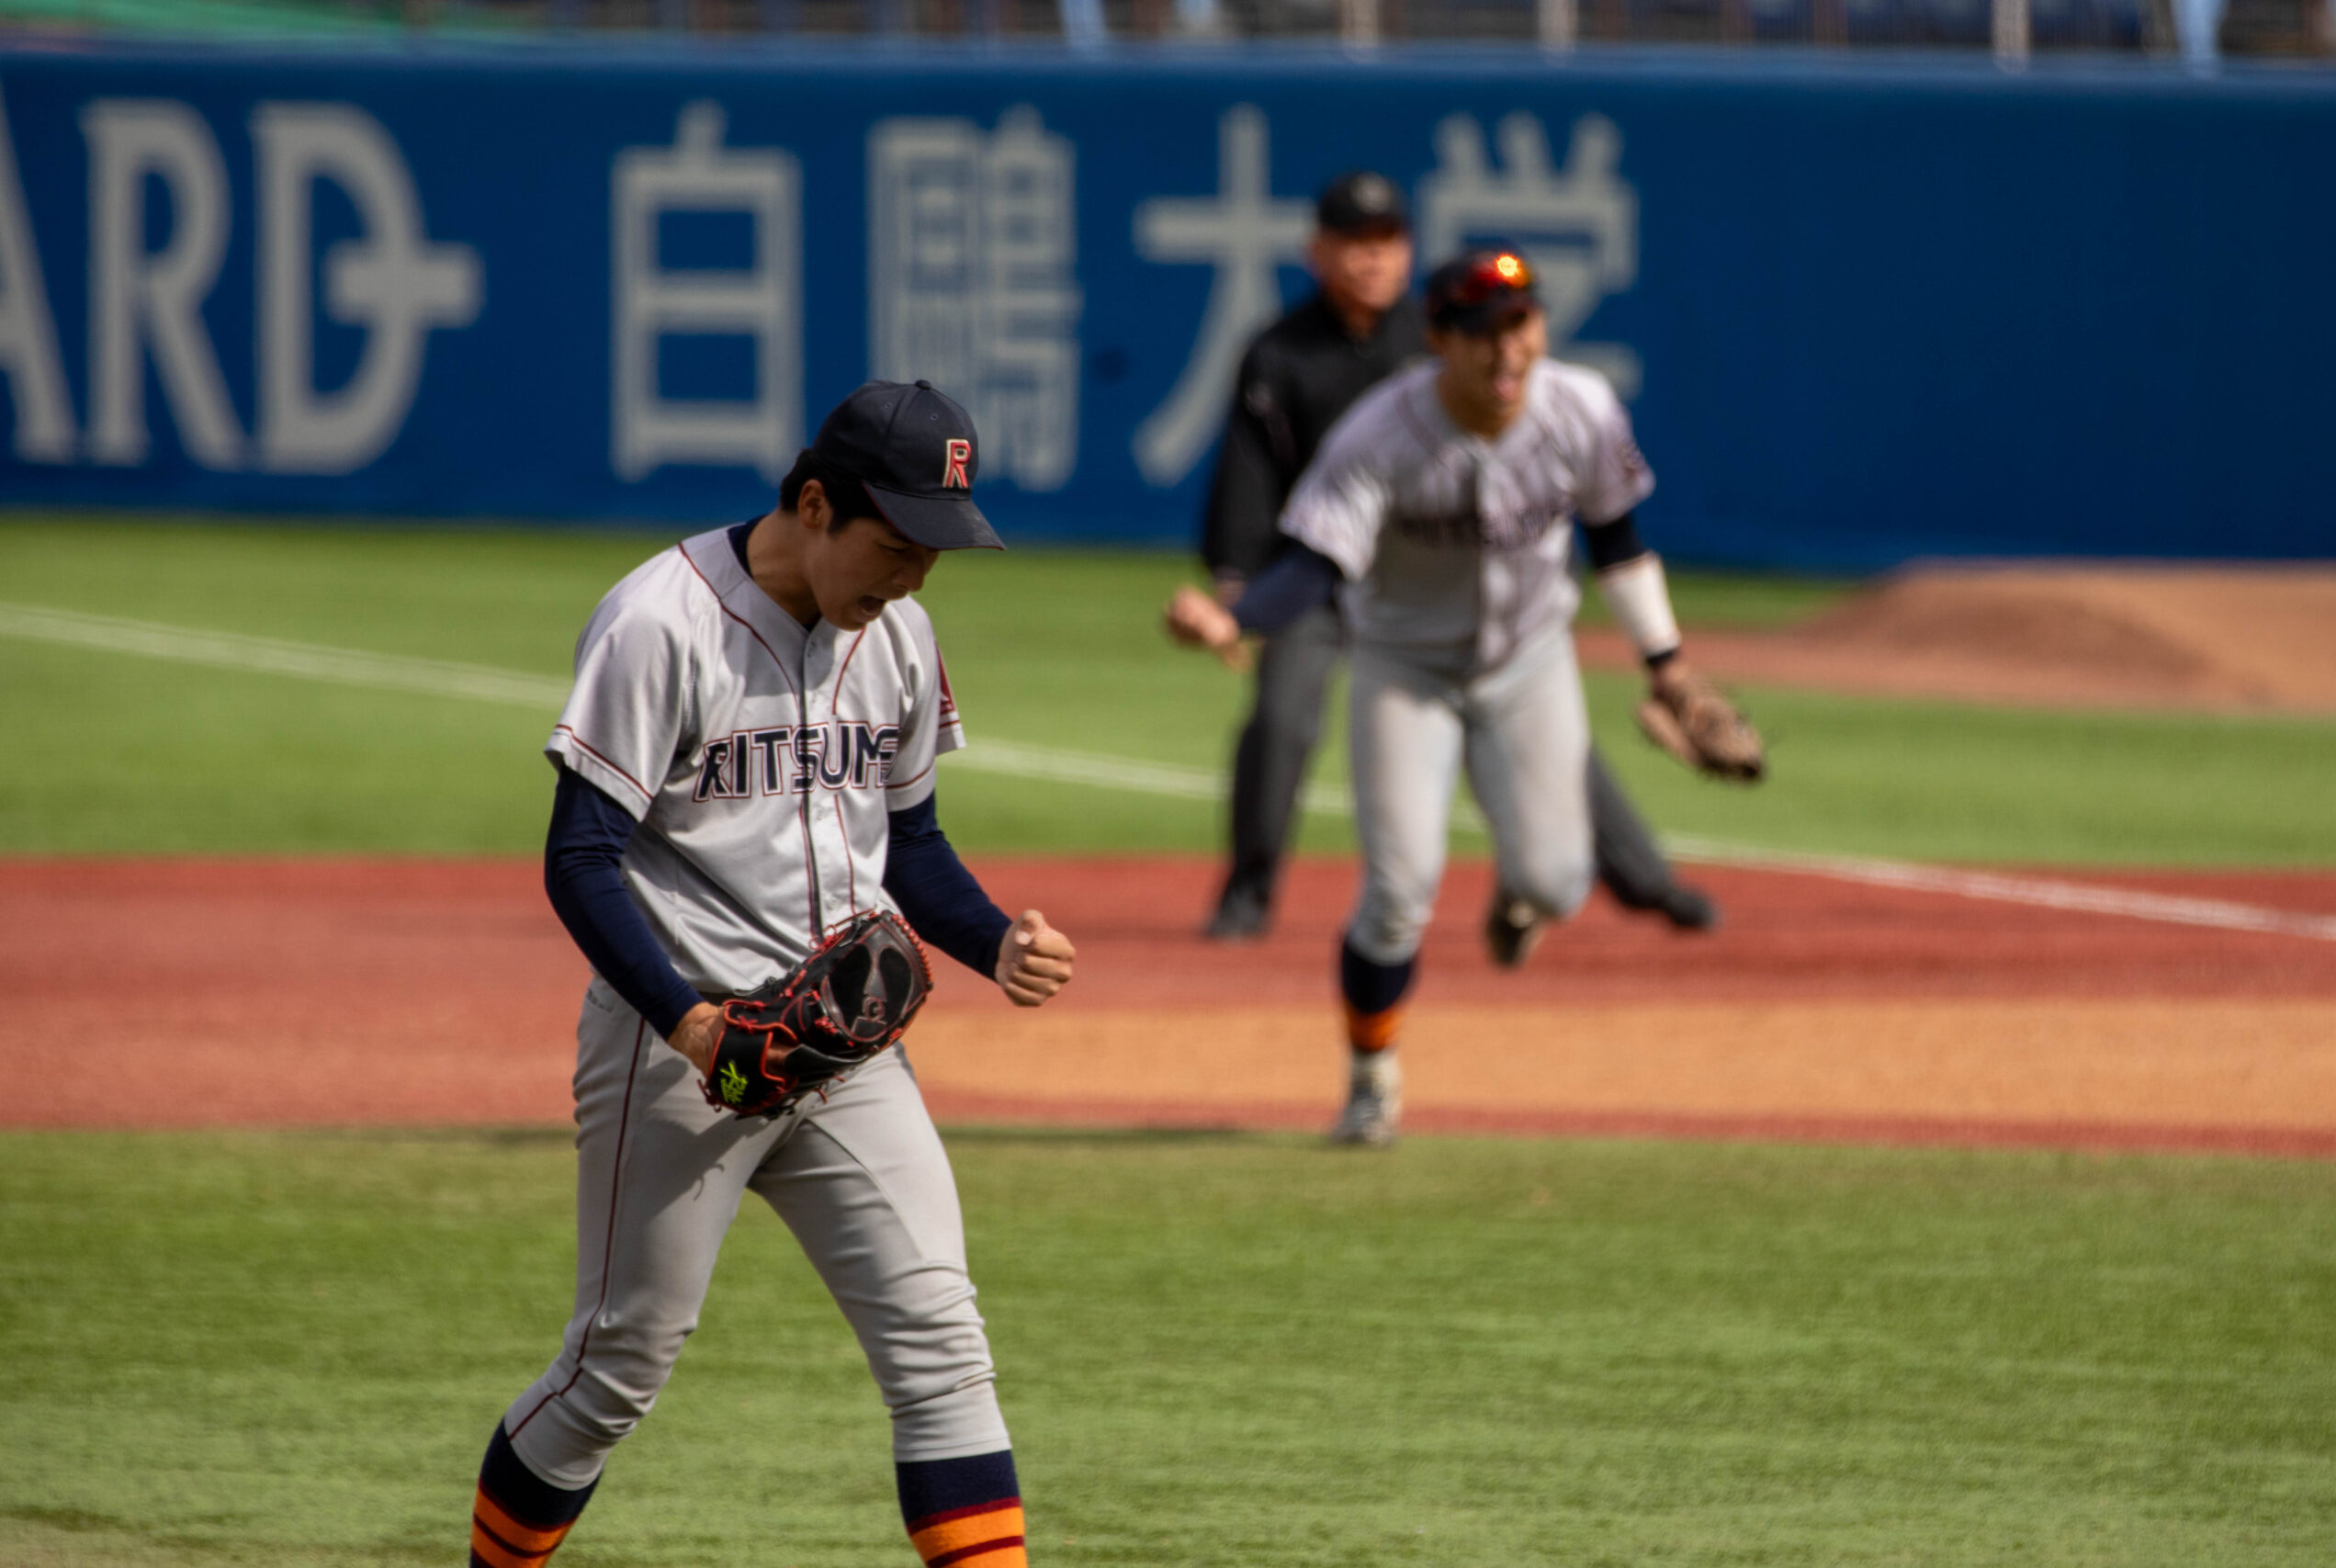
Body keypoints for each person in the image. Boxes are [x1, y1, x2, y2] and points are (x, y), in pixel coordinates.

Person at [468, 380, 1073, 1568]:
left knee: (943, 1351)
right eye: (897, 543)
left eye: (934, 552)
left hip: (848, 1050)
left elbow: (911, 841)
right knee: (615, 1367)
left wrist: (995, 940)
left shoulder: (898, 637)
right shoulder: (659, 623)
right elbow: (579, 857)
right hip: (677, 1051)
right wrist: (691, 1023)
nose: (913, 577)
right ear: (814, 503)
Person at [1167, 251, 1717, 1146]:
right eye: (1480, 330)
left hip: (1529, 663)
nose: (1506, 349)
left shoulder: (1580, 408)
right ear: (1438, 339)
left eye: (1520, 324)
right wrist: (1237, 619)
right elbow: (1315, 561)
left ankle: (1519, 904)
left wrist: (1667, 664)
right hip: (1404, 669)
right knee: (1397, 890)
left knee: (1557, 882)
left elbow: (1617, 538)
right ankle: (1370, 1076)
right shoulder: (1379, 433)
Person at [1197, 173, 1714, 942]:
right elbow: (1250, 477)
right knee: (1282, 719)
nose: (1374, 258)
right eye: (1355, 242)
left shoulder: (1480, 352)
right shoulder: (1283, 353)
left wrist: (1665, 662)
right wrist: (1238, 595)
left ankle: (1640, 881)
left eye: (1388, 240)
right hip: (1325, 580)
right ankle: (1248, 895)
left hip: (1469, 594)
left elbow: (1616, 534)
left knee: (1549, 745)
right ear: (1317, 252)